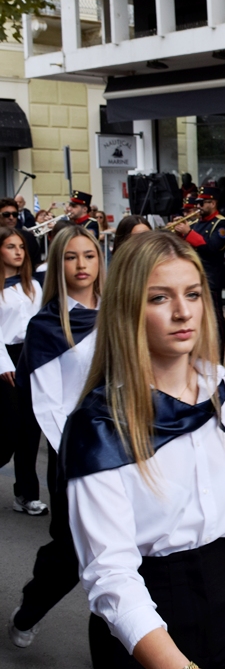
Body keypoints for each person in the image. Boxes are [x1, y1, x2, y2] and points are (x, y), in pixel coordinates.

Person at [62, 231, 225, 668]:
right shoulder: (100, 425)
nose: (183, 312)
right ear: (128, 309)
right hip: (148, 607)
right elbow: (111, 571)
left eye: (193, 294)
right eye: (160, 298)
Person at [8, 225, 103, 648]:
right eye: (71, 257)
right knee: (70, 552)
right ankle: (30, 610)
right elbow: (47, 406)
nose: (81, 265)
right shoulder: (46, 326)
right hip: (78, 456)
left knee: (129, 557)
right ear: (56, 264)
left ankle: (118, 643)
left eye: (89, 255)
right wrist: (84, 455)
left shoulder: (121, 311)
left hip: (129, 451)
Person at [0, 226, 45, 516]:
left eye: (21, 247)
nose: (18, 252)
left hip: (32, 357)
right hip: (5, 360)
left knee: (31, 429)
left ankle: (27, 494)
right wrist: (4, 365)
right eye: (11, 247)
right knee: (9, 430)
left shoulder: (33, 285)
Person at [175, 185, 225, 358]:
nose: (198, 207)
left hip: (211, 277)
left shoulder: (220, 222)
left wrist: (188, 232)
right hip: (193, 277)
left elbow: (213, 246)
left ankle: (218, 355)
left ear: (212, 203)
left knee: (215, 318)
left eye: (202, 203)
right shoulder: (197, 223)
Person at [1, 197, 41, 270]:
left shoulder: (28, 237)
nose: (11, 217)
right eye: (6, 214)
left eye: (15, 214)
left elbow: (36, 263)